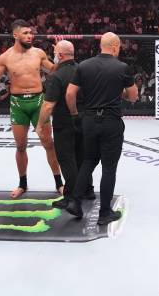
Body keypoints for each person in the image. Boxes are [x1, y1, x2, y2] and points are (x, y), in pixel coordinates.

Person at [64, 32, 138, 224]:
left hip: (89, 119)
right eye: (119, 47)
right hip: (110, 122)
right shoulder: (122, 67)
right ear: (115, 46)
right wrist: (119, 90)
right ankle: (105, 213)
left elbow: (70, 94)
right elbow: (133, 97)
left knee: (88, 161)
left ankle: (75, 201)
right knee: (109, 167)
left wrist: (74, 115)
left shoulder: (84, 65)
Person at [0, 19, 62, 198]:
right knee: (20, 146)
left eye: (31, 33)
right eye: (26, 33)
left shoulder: (39, 53)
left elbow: (54, 71)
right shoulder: (5, 57)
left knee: (49, 144)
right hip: (18, 104)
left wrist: (59, 58)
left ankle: (59, 183)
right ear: (15, 35)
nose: (30, 36)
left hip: (38, 101)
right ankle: (22, 184)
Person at [36, 40, 94, 209]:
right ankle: (88, 189)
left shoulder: (57, 75)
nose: (53, 56)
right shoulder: (83, 70)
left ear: (60, 55)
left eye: (54, 53)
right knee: (82, 156)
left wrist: (40, 124)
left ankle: (71, 197)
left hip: (64, 122)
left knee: (67, 159)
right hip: (84, 119)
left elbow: (48, 105)